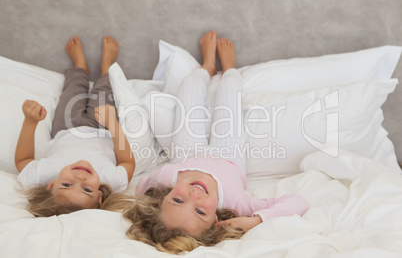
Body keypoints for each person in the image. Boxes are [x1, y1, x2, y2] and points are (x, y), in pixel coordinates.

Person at [122, 31, 309, 253]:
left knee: (189, 86)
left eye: (178, 200)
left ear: (163, 199)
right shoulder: (236, 203)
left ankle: (207, 67)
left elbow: (142, 187)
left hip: (186, 153)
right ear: (214, 222)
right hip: (229, 156)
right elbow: (298, 203)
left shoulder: (162, 179)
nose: (194, 195)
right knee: (229, 95)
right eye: (200, 211)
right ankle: (230, 69)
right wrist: (255, 220)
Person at [14, 36, 135, 217]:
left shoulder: (42, 175)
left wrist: (30, 121)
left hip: (65, 128)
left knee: (72, 91)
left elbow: (22, 160)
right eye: (87, 189)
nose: (80, 178)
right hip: (101, 128)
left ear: (51, 185)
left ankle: (80, 67)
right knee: (105, 91)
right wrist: (113, 124)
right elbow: (127, 162)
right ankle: (106, 68)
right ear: (100, 196)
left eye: (67, 185)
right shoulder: (110, 181)